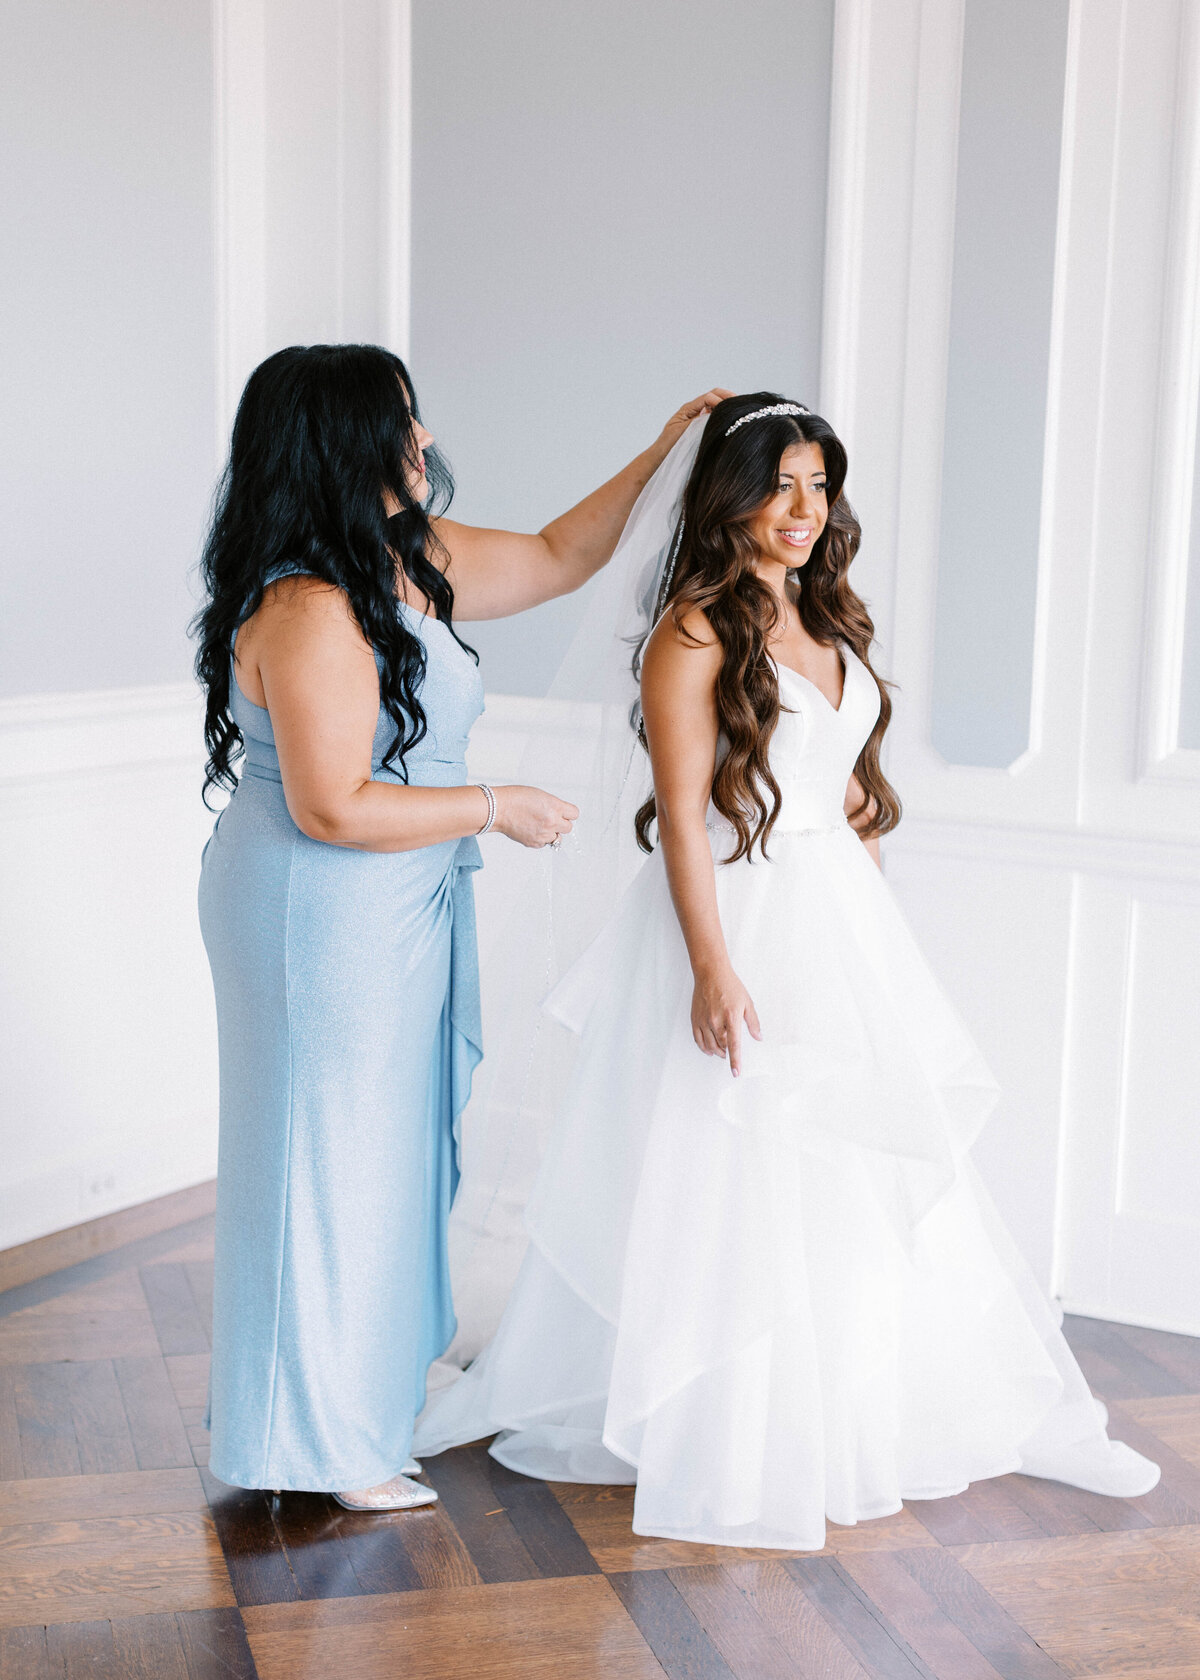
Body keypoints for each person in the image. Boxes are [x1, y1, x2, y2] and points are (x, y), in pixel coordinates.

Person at [414, 394, 1160, 1548]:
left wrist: (872, 920)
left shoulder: (827, 619)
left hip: (835, 917)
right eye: (782, 486)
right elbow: (677, 815)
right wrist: (714, 969)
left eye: (820, 486)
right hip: (734, 917)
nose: (806, 511)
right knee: (736, 1165)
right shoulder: (695, 635)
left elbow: (844, 790)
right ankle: (735, 1425)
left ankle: (861, 1404)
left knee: (855, 1164)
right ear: (734, 496)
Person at [193, 341, 725, 1511]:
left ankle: (353, 1404)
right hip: (318, 910)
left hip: (391, 894)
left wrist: (664, 448)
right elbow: (334, 804)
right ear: (342, 442)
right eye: (402, 423)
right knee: (321, 1164)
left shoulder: (401, 564)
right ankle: (315, 1443)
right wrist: (496, 804)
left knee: (379, 1158)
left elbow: (553, 555)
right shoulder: (309, 603)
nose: (424, 444)